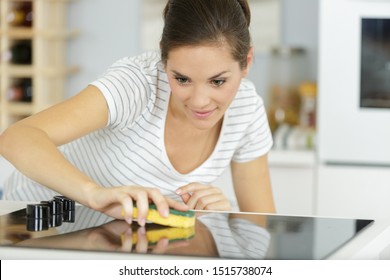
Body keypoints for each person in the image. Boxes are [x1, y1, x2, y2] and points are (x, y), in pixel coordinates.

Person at [0, 0, 275, 227]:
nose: (200, 101)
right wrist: (93, 194)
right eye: (181, 79)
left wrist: (221, 216)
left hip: (110, 237)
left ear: (246, 62)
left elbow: (260, 226)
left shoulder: (246, 110)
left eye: (217, 82)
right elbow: (17, 137)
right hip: (33, 221)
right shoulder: (137, 84)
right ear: (163, 61)